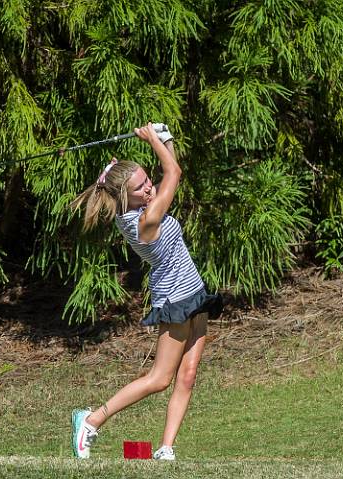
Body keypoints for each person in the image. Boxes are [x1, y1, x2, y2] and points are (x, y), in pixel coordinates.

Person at [68, 122, 222, 459]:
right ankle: (91, 420)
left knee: (189, 374)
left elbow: (168, 170)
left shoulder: (142, 207)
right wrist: (155, 138)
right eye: (141, 188)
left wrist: (165, 139)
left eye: (148, 180)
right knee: (159, 378)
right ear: (126, 196)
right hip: (175, 299)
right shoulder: (144, 221)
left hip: (193, 290)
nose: (149, 189)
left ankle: (166, 448)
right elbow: (175, 171)